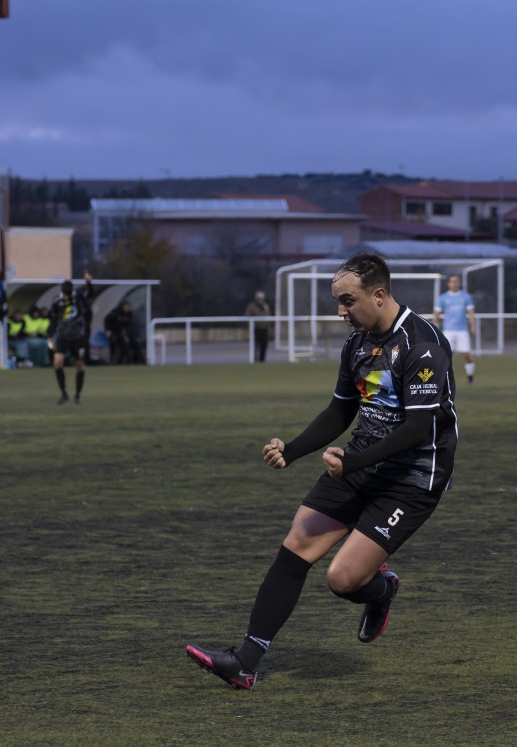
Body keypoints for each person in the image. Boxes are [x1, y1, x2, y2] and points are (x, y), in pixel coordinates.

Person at [186, 252, 459, 690]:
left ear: (379, 294)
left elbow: (417, 428)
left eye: (348, 301)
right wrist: (291, 450)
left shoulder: (421, 343)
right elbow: (340, 411)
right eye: (338, 302)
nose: (340, 312)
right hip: (359, 463)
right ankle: (245, 663)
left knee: (343, 579)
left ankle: (380, 591)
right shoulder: (356, 344)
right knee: (296, 545)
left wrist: (352, 461)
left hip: (411, 479)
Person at [48, 272, 95, 404]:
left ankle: (78, 395)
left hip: (78, 336)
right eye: (66, 295)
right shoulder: (57, 301)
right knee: (57, 362)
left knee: (80, 366)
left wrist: (89, 283)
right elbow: (53, 319)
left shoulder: (79, 298)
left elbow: (90, 294)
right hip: (63, 336)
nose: (67, 297)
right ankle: (63, 393)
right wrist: (50, 335)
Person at [433, 275, 477, 384]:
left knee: (466, 354)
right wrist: (434, 327)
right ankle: (446, 379)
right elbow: (437, 314)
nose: (454, 283)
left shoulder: (466, 297)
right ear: (448, 284)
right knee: (446, 355)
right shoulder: (443, 298)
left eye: (456, 281)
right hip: (448, 330)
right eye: (452, 281)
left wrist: (473, 325)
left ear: (459, 283)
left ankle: (470, 377)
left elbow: (471, 313)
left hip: (462, 330)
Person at [244, 290, 273, 362]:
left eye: (261, 297)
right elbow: (247, 316)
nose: (260, 299)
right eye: (258, 297)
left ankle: (262, 359)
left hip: (264, 329)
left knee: (264, 344)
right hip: (256, 329)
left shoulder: (266, 306)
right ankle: (254, 359)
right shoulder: (252, 306)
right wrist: (251, 326)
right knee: (255, 345)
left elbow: (268, 315)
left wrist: (269, 325)